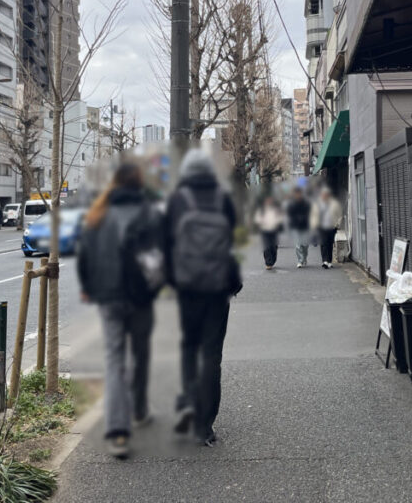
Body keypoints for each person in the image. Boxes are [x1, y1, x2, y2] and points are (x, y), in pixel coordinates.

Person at [77, 163, 161, 459]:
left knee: (114, 360)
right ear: (138, 183)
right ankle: (138, 409)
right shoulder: (149, 212)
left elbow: (85, 253)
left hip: (108, 295)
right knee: (140, 353)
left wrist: (88, 286)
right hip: (140, 295)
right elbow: (162, 254)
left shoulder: (98, 213)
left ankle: (117, 432)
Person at [163, 148, 240, 447]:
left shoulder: (177, 200)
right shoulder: (223, 199)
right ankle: (205, 426)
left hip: (188, 289)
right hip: (218, 289)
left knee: (189, 350)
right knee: (211, 355)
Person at [316, 187, 343, 269]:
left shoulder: (334, 204)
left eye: (326, 195)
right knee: (323, 243)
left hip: (332, 227)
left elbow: (339, 214)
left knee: (330, 244)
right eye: (323, 195)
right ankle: (325, 261)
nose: (324, 196)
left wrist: (337, 224)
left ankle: (329, 261)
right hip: (322, 226)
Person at [253, 196, 283, 269]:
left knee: (273, 247)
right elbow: (257, 219)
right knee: (266, 246)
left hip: (274, 230)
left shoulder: (276, 210)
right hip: (264, 230)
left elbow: (280, 218)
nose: (269, 202)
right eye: (267, 201)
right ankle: (268, 263)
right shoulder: (261, 210)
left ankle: (273, 260)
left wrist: (276, 223)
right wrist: (262, 222)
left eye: (270, 201)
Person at [285, 188, 311, 268]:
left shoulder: (306, 203)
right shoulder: (292, 204)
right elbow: (289, 215)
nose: (298, 195)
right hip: (295, 226)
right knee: (298, 245)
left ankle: (304, 258)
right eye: (296, 194)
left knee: (305, 245)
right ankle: (300, 260)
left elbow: (309, 214)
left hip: (305, 226)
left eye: (299, 194)